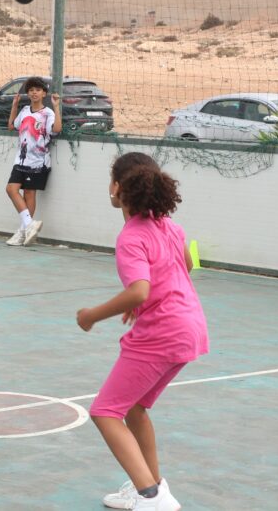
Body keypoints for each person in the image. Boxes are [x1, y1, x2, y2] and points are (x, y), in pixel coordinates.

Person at [76, 152, 209, 511]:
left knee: (105, 411)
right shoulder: (170, 225)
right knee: (134, 408)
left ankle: (151, 497)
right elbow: (186, 264)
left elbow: (139, 290)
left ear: (117, 187)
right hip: (190, 327)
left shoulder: (131, 237)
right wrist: (143, 299)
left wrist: (91, 315)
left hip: (162, 333)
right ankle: (150, 486)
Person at [4, 76, 61, 246]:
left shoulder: (47, 113)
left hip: (38, 161)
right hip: (21, 160)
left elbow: (57, 129)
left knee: (29, 193)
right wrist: (14, 106)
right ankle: (29, 224)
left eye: (38, 90)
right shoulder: (24, 111)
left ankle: (22, 232)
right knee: (11, 189)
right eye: (31, 90)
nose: (34, 93)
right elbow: (11, 126)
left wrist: (56, 107)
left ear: (44, 93)